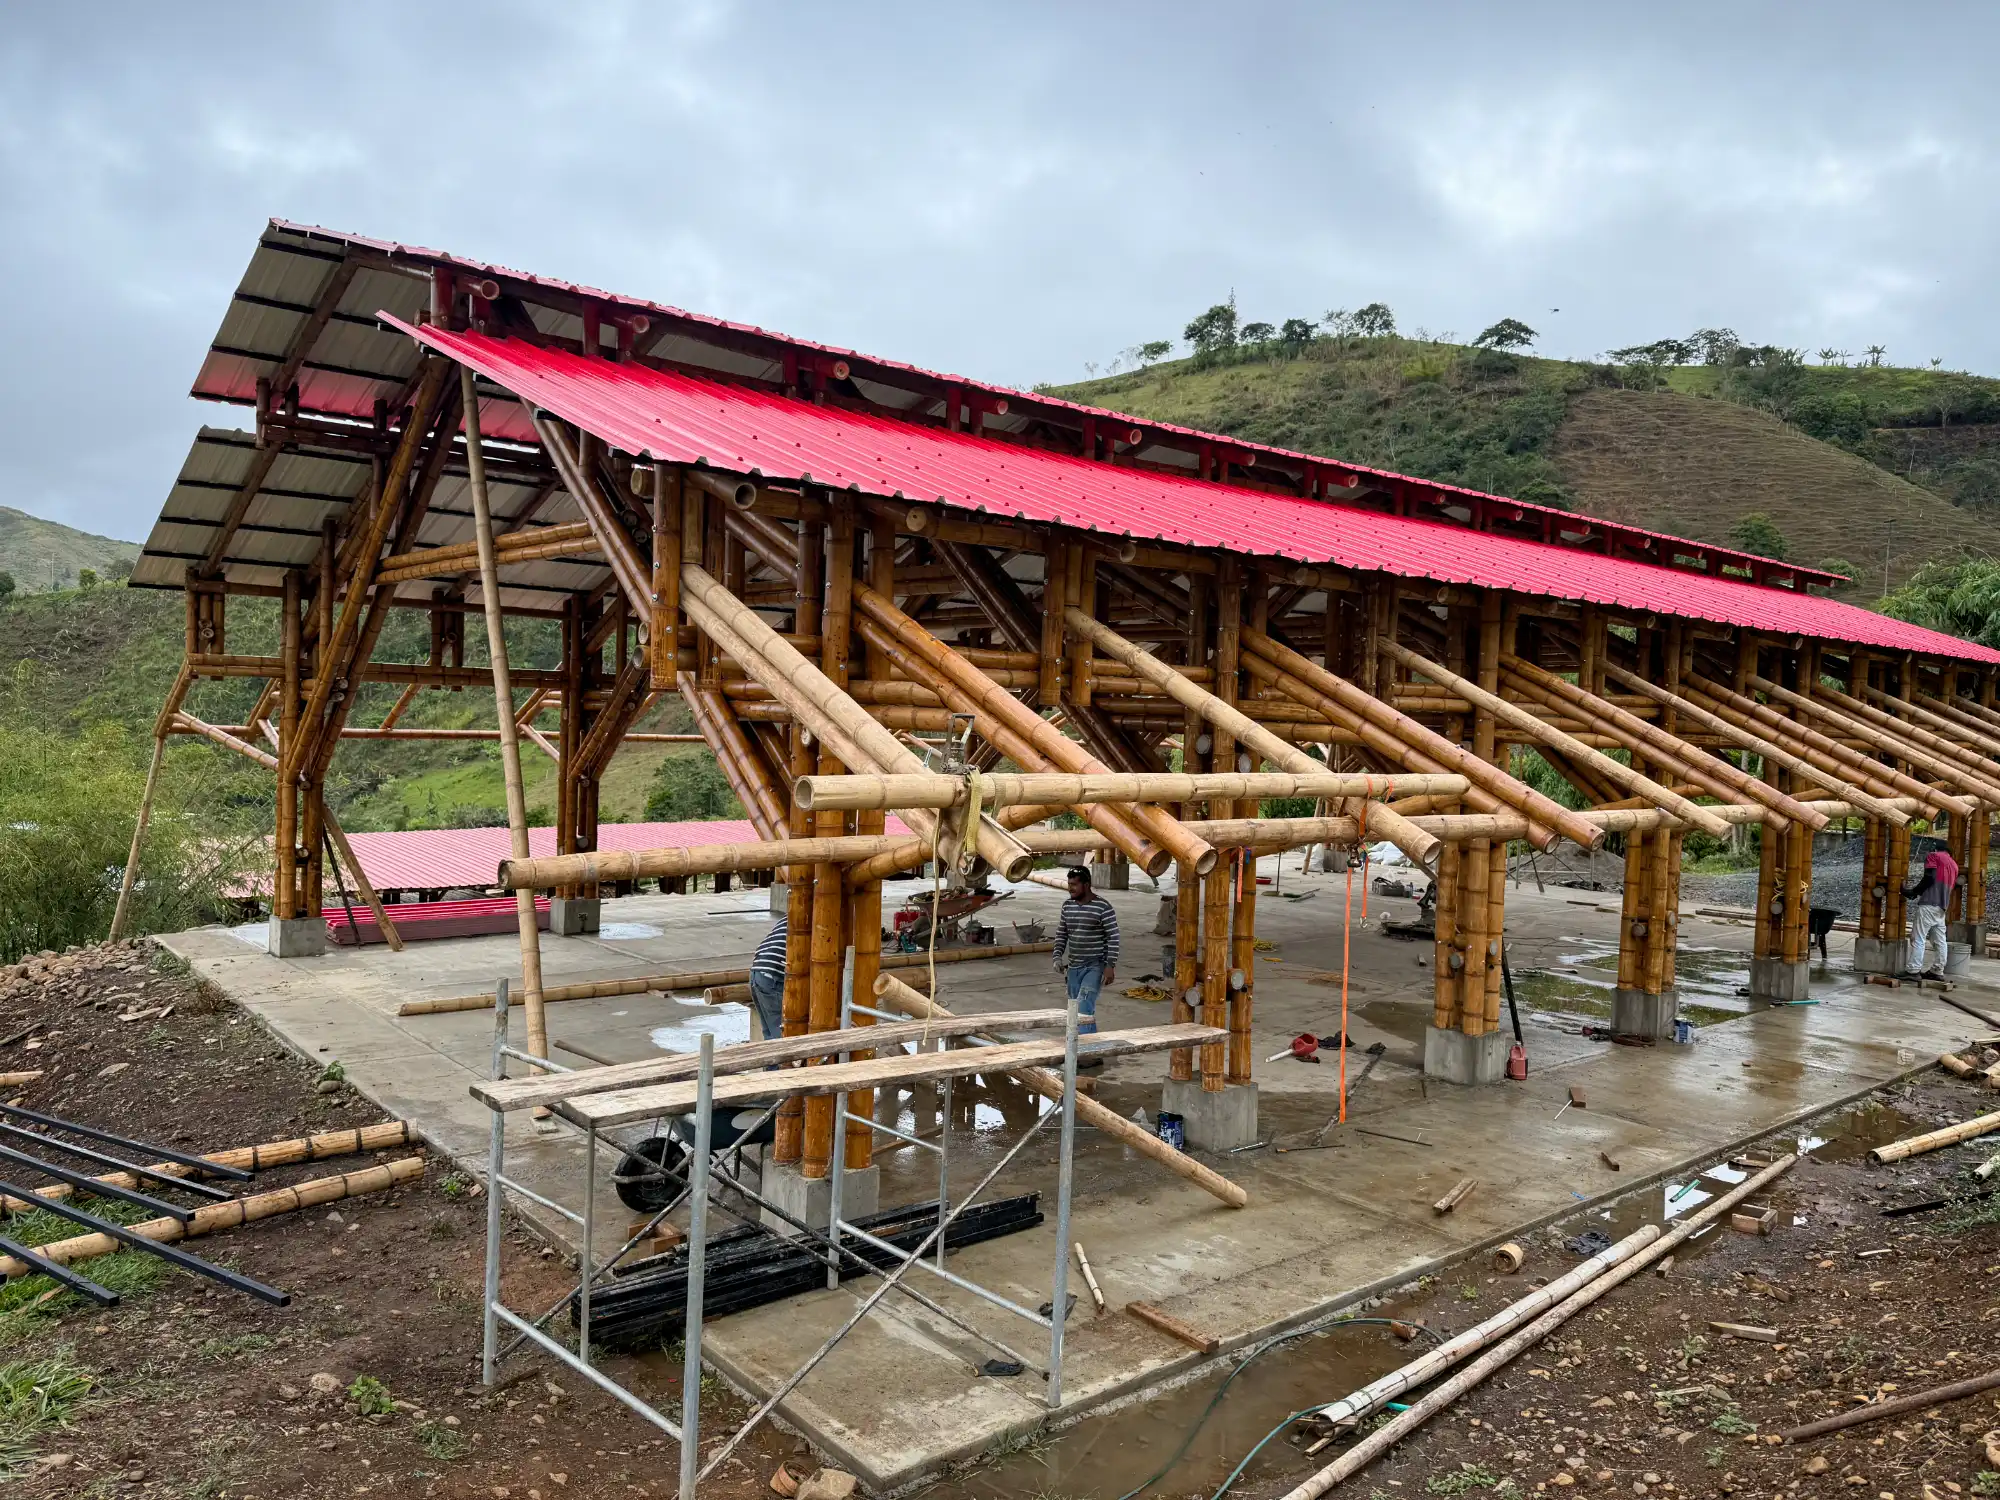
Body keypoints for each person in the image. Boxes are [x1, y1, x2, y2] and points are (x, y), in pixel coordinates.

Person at [1052, 865, 1119, 1066]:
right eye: (1069, 885)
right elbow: (1062, 933)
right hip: (1074, 967)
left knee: (1084, 1008)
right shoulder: (1067, 906)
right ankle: (1091, 1052)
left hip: (1094, 965)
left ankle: (1086, 1055)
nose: (1070, 889)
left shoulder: (1103, 908)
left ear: (1086, 885)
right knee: (1075, 1012)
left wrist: (1110, 965)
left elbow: (1113, 937)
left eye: (1074, 885)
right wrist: (1057, 956)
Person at [1903, 846, 1960, 980]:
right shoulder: (1954, 865)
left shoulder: (1934, 856)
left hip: (1928, 904)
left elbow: (1929, 877)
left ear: (1937, 849)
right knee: (1940, 941)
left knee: (1918, 938)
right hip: (1941, 908)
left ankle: (1913, 971)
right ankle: (1937, 970)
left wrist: (1913, 892)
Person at [748, 915, 787, 1043]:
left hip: (757, 971)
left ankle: (771, 1063)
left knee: (769, 1034)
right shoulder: (808, 920)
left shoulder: (789, 917)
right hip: (772, 976)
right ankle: (779, 1062)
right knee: (780, 1034)